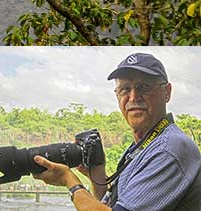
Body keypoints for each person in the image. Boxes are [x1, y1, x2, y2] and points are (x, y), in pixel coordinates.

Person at [32, 52, 201, 211]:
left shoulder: (169, 148)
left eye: (144, 87)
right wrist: (96, 175)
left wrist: (69, 180)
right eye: (125, 89)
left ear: (167, 92)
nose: (134, 97)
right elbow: (111, 207)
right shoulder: (141, 148)